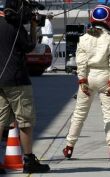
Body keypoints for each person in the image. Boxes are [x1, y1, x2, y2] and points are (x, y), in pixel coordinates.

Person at [62, 4, 110, 162]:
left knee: (79, 114)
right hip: (105, 77)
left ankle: (69, 147)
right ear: (109, 21)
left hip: (88, 77)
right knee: (109, 115)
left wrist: (82, 80)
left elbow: (80, 62)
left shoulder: (84, 38)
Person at [0, 0, 50, 174]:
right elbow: (30, 46)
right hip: (17, 80)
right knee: (25, 121)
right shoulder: (16, 27)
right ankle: (29, 160)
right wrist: (34, 26)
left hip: (1, 80)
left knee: (0, 121)